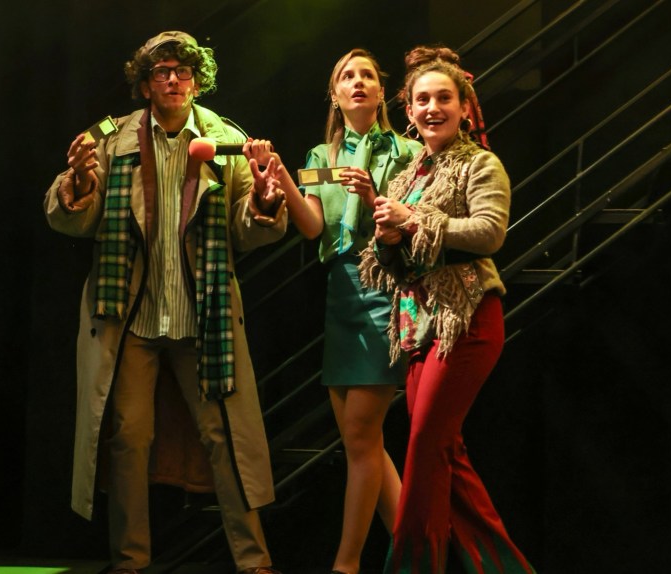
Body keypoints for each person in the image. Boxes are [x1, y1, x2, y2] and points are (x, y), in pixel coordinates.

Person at [43, 30, 286, 574]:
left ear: (197, 81)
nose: (173, 80)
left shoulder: (226, 139)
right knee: (128, 438)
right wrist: (76, 182)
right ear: (145, 83)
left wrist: (265, 201)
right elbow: (72, 216)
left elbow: (247, 226)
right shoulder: (113, 138)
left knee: (226, 438)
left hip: (205, 317)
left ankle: (255, 563)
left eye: (182, 71)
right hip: (132, 316)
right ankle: (129, 561)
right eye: (161, 72)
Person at [244, 49, 422, 574]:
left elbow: (410, 223)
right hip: (341, 295)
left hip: (383, 285)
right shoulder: (322, 155)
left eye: (367, 75)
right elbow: (313, 228)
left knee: (363, 440)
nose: (358, 81)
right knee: (363, 444)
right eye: (347, 76)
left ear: (381, 91)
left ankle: (346, 565)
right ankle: (417, 556)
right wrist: (281, 176)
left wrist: (372, 196)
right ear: (335, 93)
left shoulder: (409, 152)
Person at [357, 54, 536, 574]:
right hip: (421, 325)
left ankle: (410, 566)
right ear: (410, 112)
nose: (432, 108)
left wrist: (413, 219)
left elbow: (489, 233)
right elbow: (394, 263)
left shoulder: (480, 164)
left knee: (423, 446)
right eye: (422, 100)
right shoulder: (408, 174)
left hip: (468, 320)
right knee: (443, 453)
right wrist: (388, 238)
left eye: (443, 98)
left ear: (463, 107)